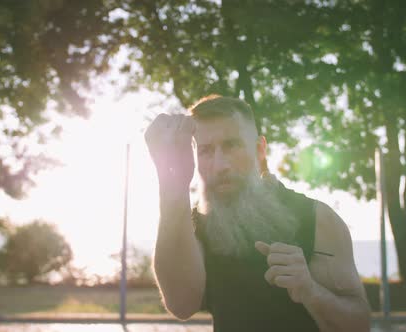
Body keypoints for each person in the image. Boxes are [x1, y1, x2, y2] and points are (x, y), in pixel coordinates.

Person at [145, 95, 371, 331]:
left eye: (232, 145)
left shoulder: (316, 217)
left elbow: (360, 324)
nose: (220, 165)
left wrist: (310, 291)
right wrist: (172, 187)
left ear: (260, 150)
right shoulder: (193, 226)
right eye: (206, 151)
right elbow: (181, 305)